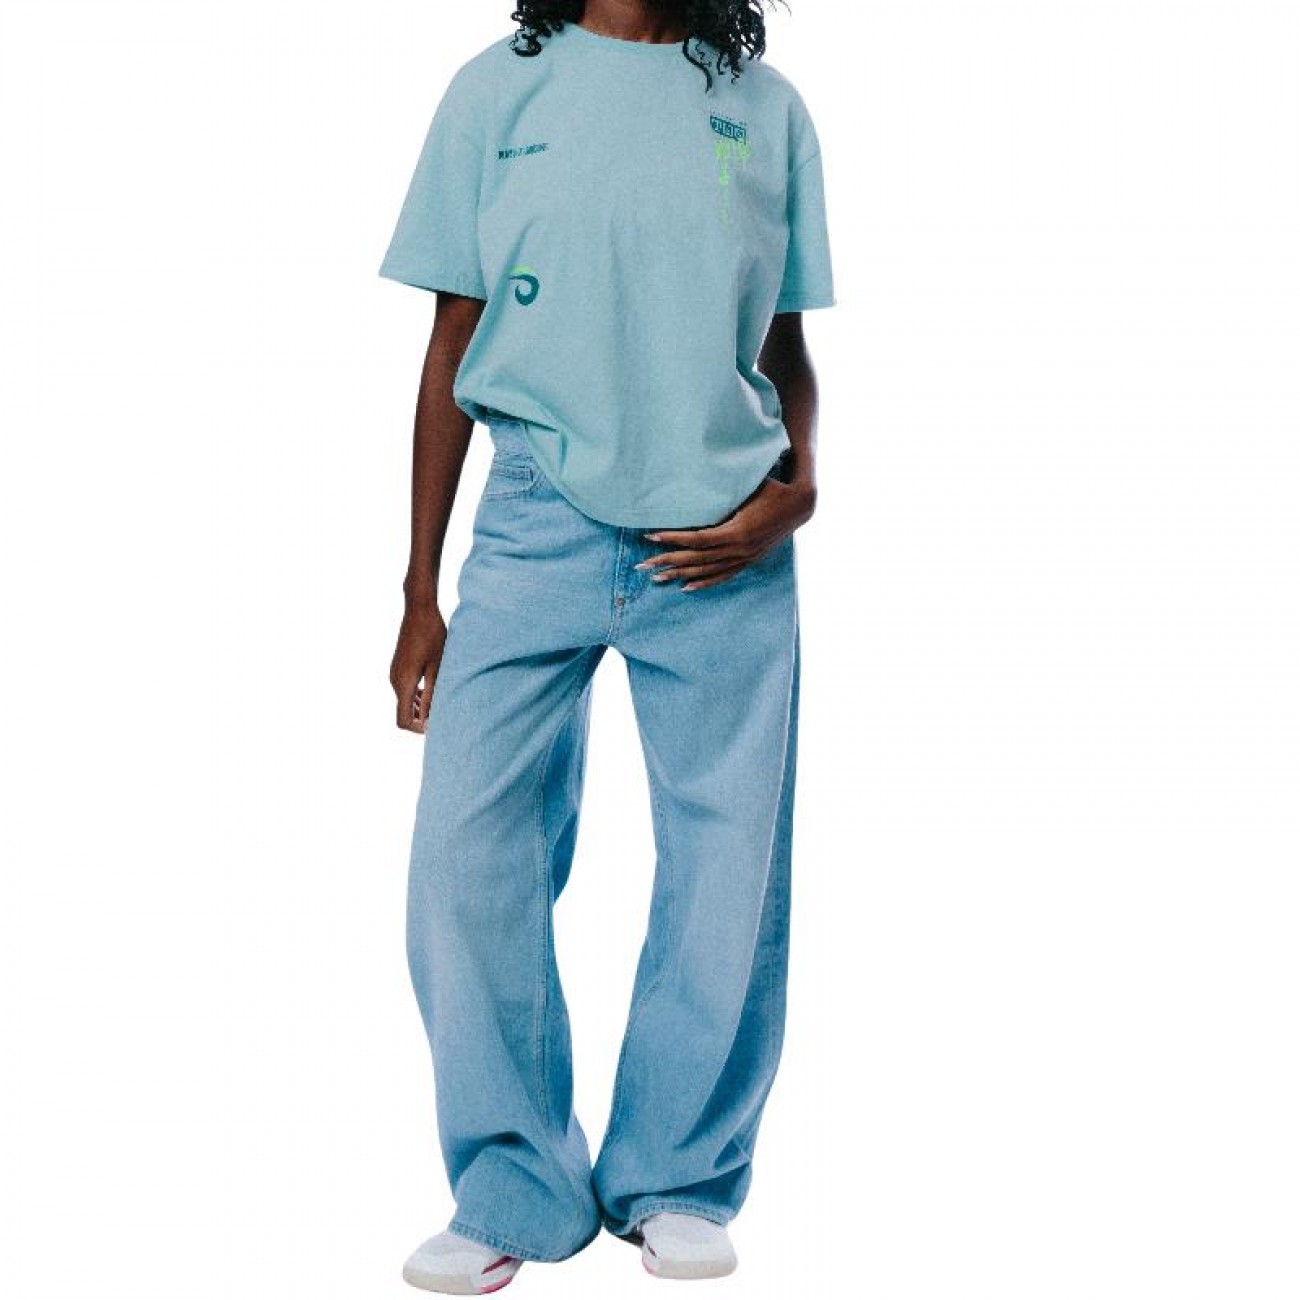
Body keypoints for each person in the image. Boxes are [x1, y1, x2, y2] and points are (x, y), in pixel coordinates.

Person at [377, 1, 835, 1290]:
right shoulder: (495, 91)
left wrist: (800, 484)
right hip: (536, 523)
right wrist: (420, 589)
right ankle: (514, 1186)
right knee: (466, 860)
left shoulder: (766, 111)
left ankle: (678, 1178)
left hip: (723, 541)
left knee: (728, 870)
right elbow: (451, 342)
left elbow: (785, 344)